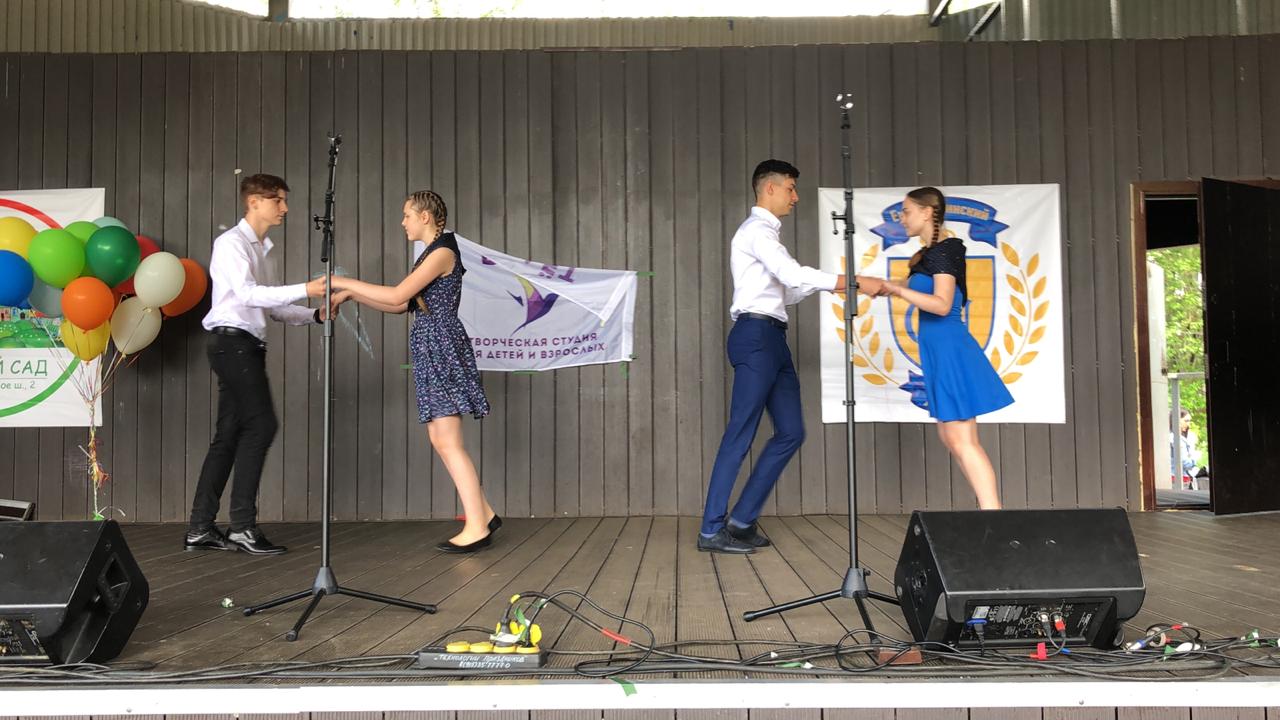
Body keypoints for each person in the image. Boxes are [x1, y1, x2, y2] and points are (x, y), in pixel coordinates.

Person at [698, 160, 858, 554]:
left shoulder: (767, 235)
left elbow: (788, 290)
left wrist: (831, 286)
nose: (795, 197)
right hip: (755, 336)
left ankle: (741, 521)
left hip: (773, 338)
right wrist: (848, 282)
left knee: (791, 432)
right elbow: (792, 274)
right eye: (790, 187)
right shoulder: (756, 231)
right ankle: (711, 530)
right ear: (769, 188)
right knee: (741, 433)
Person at [329, 190, 499, 553]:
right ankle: (483, 513)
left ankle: (477, 526)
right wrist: (353, 296)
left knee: (448, 439)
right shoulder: (431, 253)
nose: (403, 221)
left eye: (407, 214)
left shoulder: (442, 252)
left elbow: (395, 296)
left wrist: (344, 283)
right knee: (440, 438)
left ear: (425, 216)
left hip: (441, 346)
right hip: (431, 345)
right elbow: (402, 305)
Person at [185, 173, 328, 555]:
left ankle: (200, 528)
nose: (285, 208)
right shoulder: (231, 244)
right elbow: (248, 295)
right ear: (254, 202)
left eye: (283, 200)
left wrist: (314, 314)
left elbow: (274, 307)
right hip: (232, 345)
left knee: (228, 435)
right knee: (261, 426)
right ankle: (242, 527)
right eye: (277, 200)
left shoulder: (265, 250)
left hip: (243, 347)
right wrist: (307, 288)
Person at [875, 187, 1013, 509]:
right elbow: (911, 288)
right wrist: (876, 285)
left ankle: (994, 518)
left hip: (950, 349)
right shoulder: (929, 255)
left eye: (907, 211)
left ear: (927, 213)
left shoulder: (945, 250)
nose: (902, 218)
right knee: (952, 438)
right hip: (938, 352)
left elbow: (941, 304)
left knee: (963, 439)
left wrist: (898, 290)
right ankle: (989, 513)